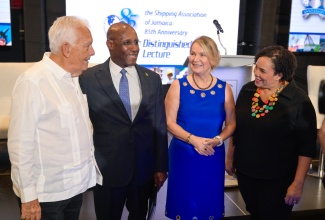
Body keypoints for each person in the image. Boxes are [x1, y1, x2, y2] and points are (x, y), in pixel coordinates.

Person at [7, 16, 102, 220]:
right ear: (67, 49)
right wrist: (29, 197)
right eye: (88, 46)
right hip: (45, 196)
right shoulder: (33, 82)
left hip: (74, 190)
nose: (92, 52)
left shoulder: (74, 78)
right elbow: (20, 147)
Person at [79, 22, 169, 220]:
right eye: (127, 42)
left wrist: (161, 166)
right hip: (107, 171)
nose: (135, 47)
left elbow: (159, 126)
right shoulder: (88, 79)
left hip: (144, 171)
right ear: (110, 44)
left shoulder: (152, 79)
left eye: (136, 42)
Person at [226, 45, 317, 220]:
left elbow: (306, 147)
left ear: (279, 75)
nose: (256, 73)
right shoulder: (247, 90)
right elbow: (238, 128)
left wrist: (298, 184)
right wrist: (230, 157)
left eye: (262, 70)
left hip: (279, 180)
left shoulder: (299, 101)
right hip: (246, 174)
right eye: (256, 67)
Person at [164, 35, 236, 219]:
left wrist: (218, 139)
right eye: (192, 53)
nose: (195, 59)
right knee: (184, 206)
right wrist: (194, 140)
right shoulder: (178, 86)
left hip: (212, 155)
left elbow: (231, 123)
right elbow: (169, 122)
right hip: (184, 155)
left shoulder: (225, 88)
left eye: (202, 54)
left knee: (208, 206)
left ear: (213, 58)